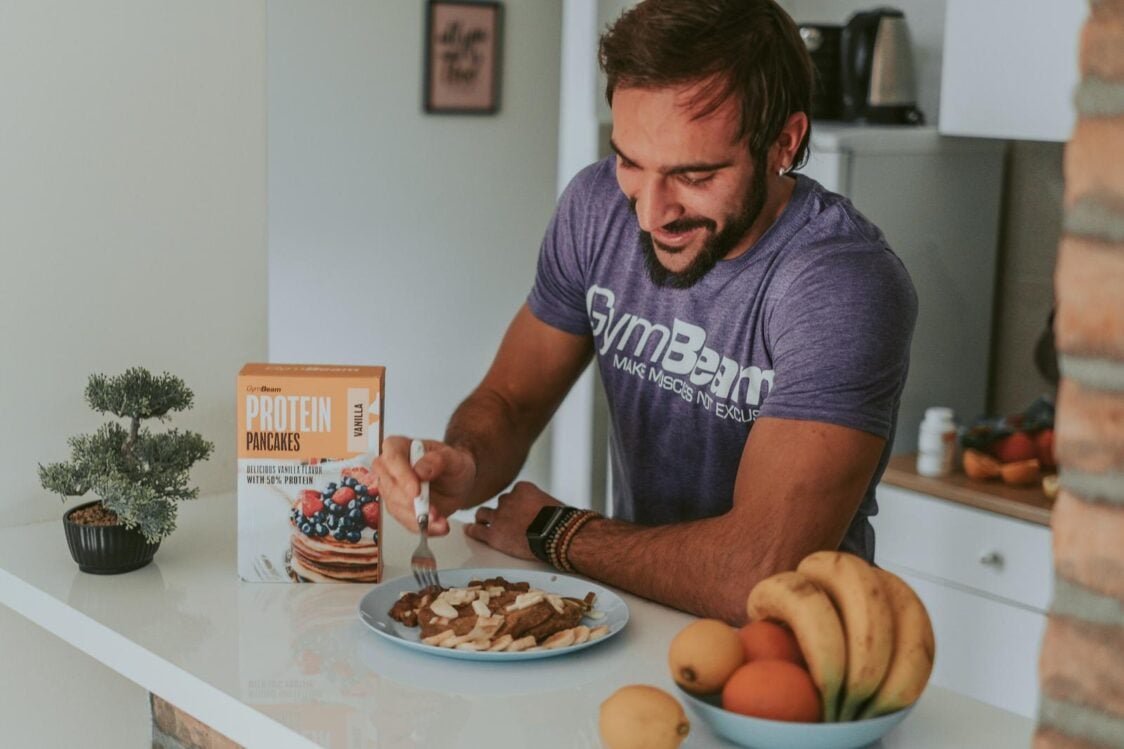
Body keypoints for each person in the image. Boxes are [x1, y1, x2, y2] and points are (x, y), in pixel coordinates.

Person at [373, 0, 917, 625]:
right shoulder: (595, 206)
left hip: (786, 659)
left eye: (694, 174)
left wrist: (558, 532)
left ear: (783, 144)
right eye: (631, 160)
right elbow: (513, 401)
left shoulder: (841, 283)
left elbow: (758, 573)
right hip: (637, 614)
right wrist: (464, 464)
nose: (650, 212)